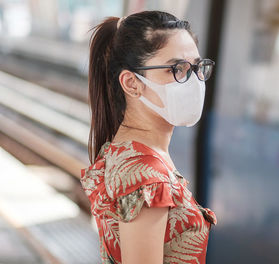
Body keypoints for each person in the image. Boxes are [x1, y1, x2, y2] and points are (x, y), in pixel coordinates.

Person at [80, 10, 217, 264]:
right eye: (177, 69)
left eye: (198, 67)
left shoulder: (125, 149)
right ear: (132, 83)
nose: (194, 81)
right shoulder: (147, 176)